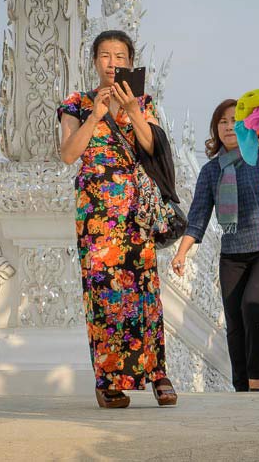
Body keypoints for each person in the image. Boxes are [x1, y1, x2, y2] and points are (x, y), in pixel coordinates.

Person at [57, 30, 177, 408]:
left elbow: (152, 146)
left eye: (120, 56)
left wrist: (134, 111)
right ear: (94, 61)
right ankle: (109, 380)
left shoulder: (141, 101)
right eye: (106, 56)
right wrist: (95, 116)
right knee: (104, 296)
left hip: (135, 212)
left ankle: (157, 373)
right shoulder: (76, 104)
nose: (113, 63)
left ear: (130, 61)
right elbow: (68, 154)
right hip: (96, 215)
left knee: (143, 292)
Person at [170, 99, 259, 392]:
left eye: (235, 120)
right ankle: (241, 387)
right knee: (234, 323)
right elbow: (198, 217)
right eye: (222, 121)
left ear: (247, 125)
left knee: (252, 310)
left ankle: (257, 383)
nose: (229, 126)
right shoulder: (211, 171)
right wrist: (181, 252)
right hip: (232, 254)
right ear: (215, 129)